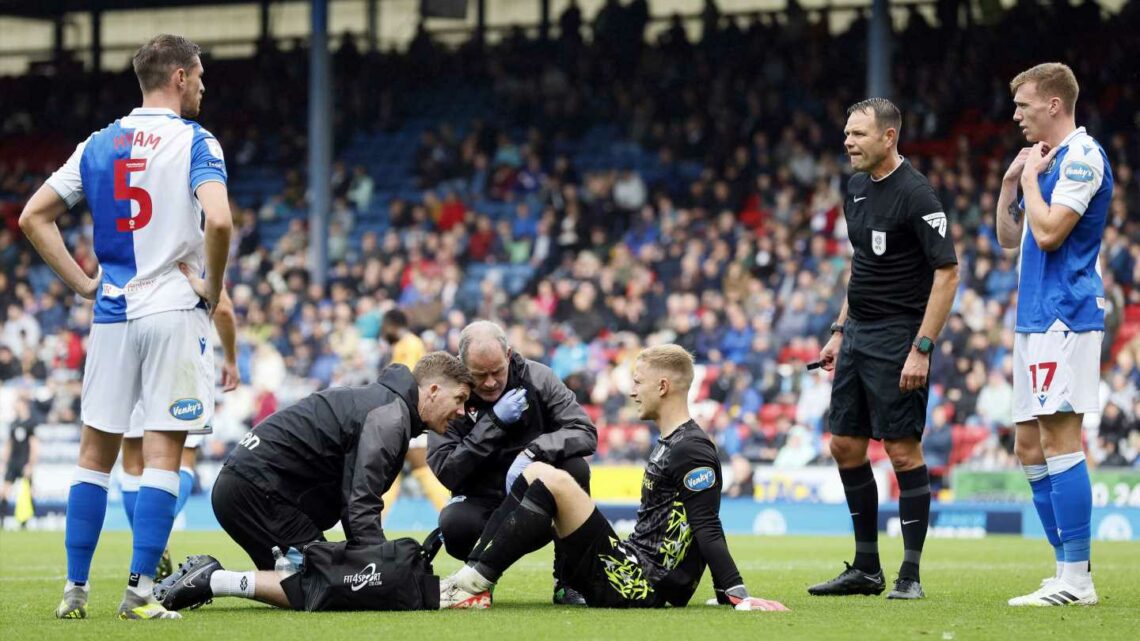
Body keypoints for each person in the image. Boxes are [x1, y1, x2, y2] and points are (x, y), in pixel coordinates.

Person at [19, 34, 232, 620]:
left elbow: (33, 216)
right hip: (170, 310)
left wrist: (82, 283)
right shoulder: (196, 140)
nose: (205, 86)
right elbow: (218, 218)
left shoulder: (97, 144)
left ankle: (74, 590)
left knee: (96, 455)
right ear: (181, 78)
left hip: (111, 310)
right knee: (165, 454)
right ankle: (140, 593)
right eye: (201, 74)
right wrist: (212, 287)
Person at [438, 345, 787, 612]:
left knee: (550, 477)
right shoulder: (673, 442)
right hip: (630, 563)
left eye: (638, 382)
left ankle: (471, 584)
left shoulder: (692, 450)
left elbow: (706, 524)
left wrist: (735, 593)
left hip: (646, 586)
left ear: (662, 386)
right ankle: (471, 579)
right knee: (540, 473)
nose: (632, 391)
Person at [154, 352, 473, 611]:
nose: (460, 411)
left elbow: (354, 504)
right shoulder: (390, 417)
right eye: (459, 399)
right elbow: (360, 505)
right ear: (433, 390)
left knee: (323, 579)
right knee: (330, 585)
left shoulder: (383, 404)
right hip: (257, 491)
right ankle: (213, 579)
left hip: (253, 485)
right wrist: (381, 572)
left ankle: (217, 578)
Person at [808, 98, 959, 600]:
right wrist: (838, 330)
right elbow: (862, 268)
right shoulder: (854, 188)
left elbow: (948, 271)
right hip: (857, 334)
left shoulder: (917, 194)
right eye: (847, 132)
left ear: (888, 137)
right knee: (844, 446)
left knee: (900, 448)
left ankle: (910, 574)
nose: (848, 141)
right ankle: (866, 569)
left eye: (858, 134)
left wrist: (923, 346)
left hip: (900, 335)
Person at [996, 62, 1112, 607]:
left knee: (1061, 440)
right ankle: (1062, 568)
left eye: (1023, 104)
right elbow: (1008, 236)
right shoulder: (1042, 161)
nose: (1016, 113)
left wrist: (1027, 182)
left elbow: (1046, 234)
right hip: (1033, 316)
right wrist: (1008, 186)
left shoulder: (1082, 158)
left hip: (1065, 314)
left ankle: (1078, 581)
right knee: (1028, 444)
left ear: (1054, 105)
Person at [428, 320, 597, 605]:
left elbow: (585, 432)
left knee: (575, 468)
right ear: (462, 365)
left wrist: (533, 452)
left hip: (535, 501)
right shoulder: (451, 394)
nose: (491, 382)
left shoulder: (539, 378)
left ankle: (569, 581)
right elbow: (447, 470)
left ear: (509, 355)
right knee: (453, 524)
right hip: (480, 499)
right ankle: (481, 579)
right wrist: (492, 423)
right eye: (480, 375)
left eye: (497, 371)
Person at [118, 288, 240, 579]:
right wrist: (231, 359)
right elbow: (222, 309)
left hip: (130, 342)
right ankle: (155, 541)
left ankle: (147, 547)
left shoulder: (133, 250)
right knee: (180, 459)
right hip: (182, 349)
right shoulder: (194, 252)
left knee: (133, 464)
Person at [377, 309, 452, 519]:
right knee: (392, 473)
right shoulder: (408, 343)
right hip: (407, 414)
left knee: (419, 467)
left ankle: (450, 514)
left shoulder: (408, 344)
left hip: (409, 414)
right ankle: (374, 522)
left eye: (384, 327)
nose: (383, 332)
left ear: (392, 325)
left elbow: (405, 379)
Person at [0, 394, 40, 528]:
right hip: (13, 462)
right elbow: (9, 444)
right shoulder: (13, 423)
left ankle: (27, 521)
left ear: (23, 405)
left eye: (18, 403)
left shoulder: (31, 424)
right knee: (5, 491)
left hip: (24, 463)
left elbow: (34, 445)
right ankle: (2, 519)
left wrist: (31, 464)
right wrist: (4, 462)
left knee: (28, 492)